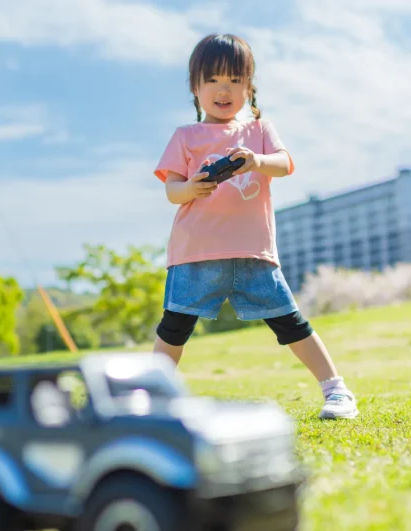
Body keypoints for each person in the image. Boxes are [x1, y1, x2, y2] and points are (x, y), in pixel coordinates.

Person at [151, 33, 359, 420]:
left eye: (234, 80)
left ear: (250, 86)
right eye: (212, 80)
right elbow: (172, 191)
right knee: (174, 329)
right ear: (195, 88)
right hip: (196, 252)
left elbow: (284, 163)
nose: (223, 89)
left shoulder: (260, 130)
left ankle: (337, 391)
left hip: (253, 253)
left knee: (291, 323)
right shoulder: (186, 136)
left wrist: (256, 162)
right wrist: (192, 187)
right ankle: (146, 402)